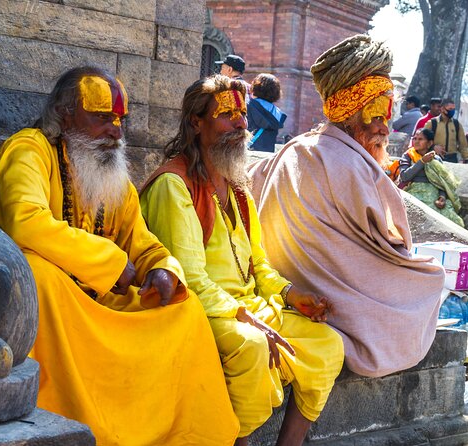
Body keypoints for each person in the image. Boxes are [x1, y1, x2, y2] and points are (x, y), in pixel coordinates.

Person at [0, 66, 239, 445]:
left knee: (185, 309)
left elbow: (143, 242)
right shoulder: (29, 149)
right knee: (38, 273)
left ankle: (180, 436)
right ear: (65, 115)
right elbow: (24, 224)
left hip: (97, 304)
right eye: (102, 119)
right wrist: (113, 264)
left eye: (119, 121)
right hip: (49, 305)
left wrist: (163, 269)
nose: (115, 131)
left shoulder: (111, 171)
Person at [140, 75, 344, 446]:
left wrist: (289, 294)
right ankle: (239, 440)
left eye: (242, 114)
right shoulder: (174, 185)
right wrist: (242, 315)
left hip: (251, 306)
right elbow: (189, 278)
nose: (240, 123)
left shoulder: (238, 188)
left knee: (329, 344)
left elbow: (258, 266)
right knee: (251, 347)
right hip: (201, 311)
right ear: (196, 123)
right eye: (226, 114)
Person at [248, 35, 445, 378]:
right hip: (329, 296)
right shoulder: (352, 163)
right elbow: (392, 242)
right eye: (376, 117)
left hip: (286, 287)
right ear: (351, 115)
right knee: (431, 276)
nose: (385, 129)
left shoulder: (293, 148)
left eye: (387, 116)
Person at [399, 128, 464, 227]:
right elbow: (404, 176)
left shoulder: (436, 158)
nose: (416, 141)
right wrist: (422, 162)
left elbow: (442, 182)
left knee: (452, 220)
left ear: (429, 143)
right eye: (415, 138)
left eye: (420, 139)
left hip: (434, 195)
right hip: (414, 193)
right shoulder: (408, 156)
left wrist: (442, 197)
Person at [247, 73, 287, 152]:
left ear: (255, 88)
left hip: (249, 151)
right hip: (267, 156)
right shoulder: (279, 114)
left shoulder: (248, 106)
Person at [424, 98, 468, 163]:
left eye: (453, 109)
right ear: (442, 109)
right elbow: (423, 140)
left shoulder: (457, 124)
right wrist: (433, 147)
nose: (452, 111)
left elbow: (463, 145)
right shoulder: (432, 123)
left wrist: (466, 158)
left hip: (452, 159)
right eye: (450, 109)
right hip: (435, 158)